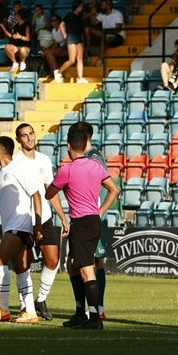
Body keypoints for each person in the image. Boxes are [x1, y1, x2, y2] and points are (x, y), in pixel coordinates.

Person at [46, 127, 119, 330]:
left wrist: (53, 187)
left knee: (87, 270)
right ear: (85, 146)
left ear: (69, 147)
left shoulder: (66, 170)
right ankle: (80, 313)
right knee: (72, 266)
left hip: (81, 223)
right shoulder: (95, 166)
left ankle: (94, 318)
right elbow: (115, 189)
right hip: (93, 221)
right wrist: (100, 210)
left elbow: (49, 193)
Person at [0, 136, 43, 324]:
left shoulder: (19, 169)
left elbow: (36, 196)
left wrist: (37, 225)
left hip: (21, 224)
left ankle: (4, 309)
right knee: (22, 268)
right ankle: (30, 312)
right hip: (12, 226)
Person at [14, 123, 69, 320]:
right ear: (18, 139)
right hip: (23, 218)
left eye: (31, 133)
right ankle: (24, 305)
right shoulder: (15, 161)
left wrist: (63, 217)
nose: (29, 138)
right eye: (24, 135)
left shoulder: (44, 159)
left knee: (53, 260)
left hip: (44, 216)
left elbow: (50, 191)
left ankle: (40, 299)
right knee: (23, 263)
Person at [69, 121, 110, 320]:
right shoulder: (90, 158)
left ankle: (97, 309)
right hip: (89, 217)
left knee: (94, 263)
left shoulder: (94, 158)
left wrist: (99, 211)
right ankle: (91, 309)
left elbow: (105, 186)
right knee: (89, 262)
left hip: (91, 217)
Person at [55, 0, 88, 84]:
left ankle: (80, 78)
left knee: (80, 58)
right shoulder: (69, 15)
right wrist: (65, 36)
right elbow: (61, 25)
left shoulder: (81, 17)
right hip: (71, 37)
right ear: (76, 6)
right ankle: (59, 72)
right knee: (72, 60)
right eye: (80, 6)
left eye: (81, 6)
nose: (81, 8)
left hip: (79, 37)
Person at [84, 0, 125, 66]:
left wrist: (105, 32)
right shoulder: (102, 14)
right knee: (88, 29)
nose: (101, 7)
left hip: (118, 37)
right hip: (106, 35)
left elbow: (118, 29)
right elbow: (93, 22)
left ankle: (100, 60)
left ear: (108, 6)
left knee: (103, 36)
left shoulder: (117, 14)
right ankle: (88, 51)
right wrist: (92, 14)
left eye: (103, 5)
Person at [4, 8, 32, 72]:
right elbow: (12, 36)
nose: (15, 16)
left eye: (16, 15)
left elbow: (28, 39)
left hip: (26, 47)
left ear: (19, 16)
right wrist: (4, 29)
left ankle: (23, 62)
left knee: (22, 49)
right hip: (17, 46)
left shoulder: (27, 25)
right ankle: (15, 63)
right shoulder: (16, 26)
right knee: (7, 47)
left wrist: (20, 37)